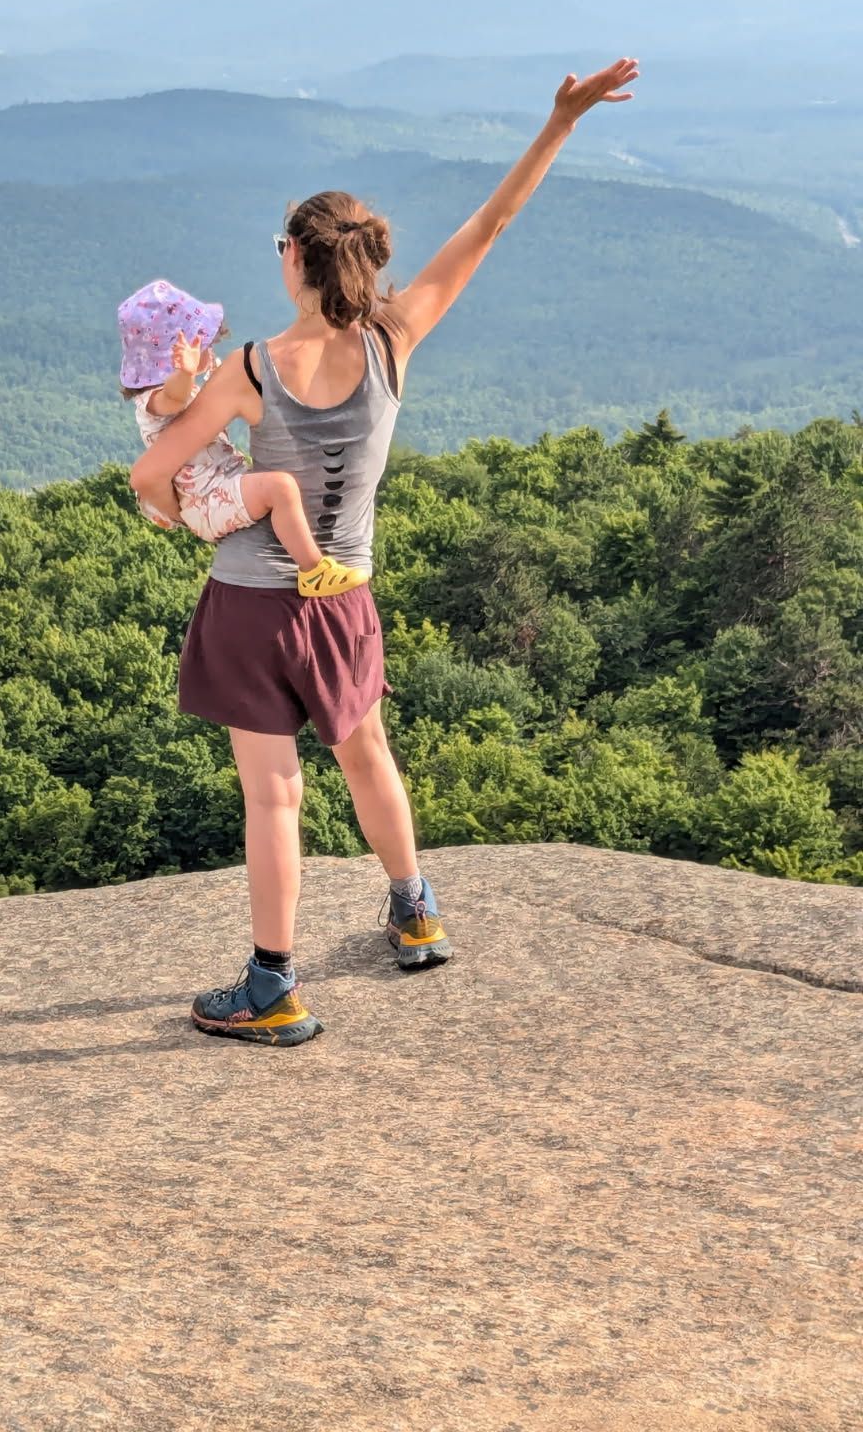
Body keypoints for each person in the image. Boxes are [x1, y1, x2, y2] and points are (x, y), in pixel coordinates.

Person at [130, 58, 639, 1047]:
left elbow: (154, 473)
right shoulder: (394, 342)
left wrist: (175, 513)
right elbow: (486, 230)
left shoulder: (245, 373)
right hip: (344, 599)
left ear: (296, 262)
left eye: (282, 243)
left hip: (249, 606)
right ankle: (414, 910)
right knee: (365, 750)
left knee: (274, 790)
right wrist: (559, 124)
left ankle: (273, 984)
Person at [119, 279, 371, 596]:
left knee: (283, 484)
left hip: (215, 486)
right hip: (206, 497)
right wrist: (184, 373)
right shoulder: (154, 401)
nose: (207, 350)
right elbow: (174, 397)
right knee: (280, 488)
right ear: (170, 356)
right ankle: (313, 571)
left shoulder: (175, 391)